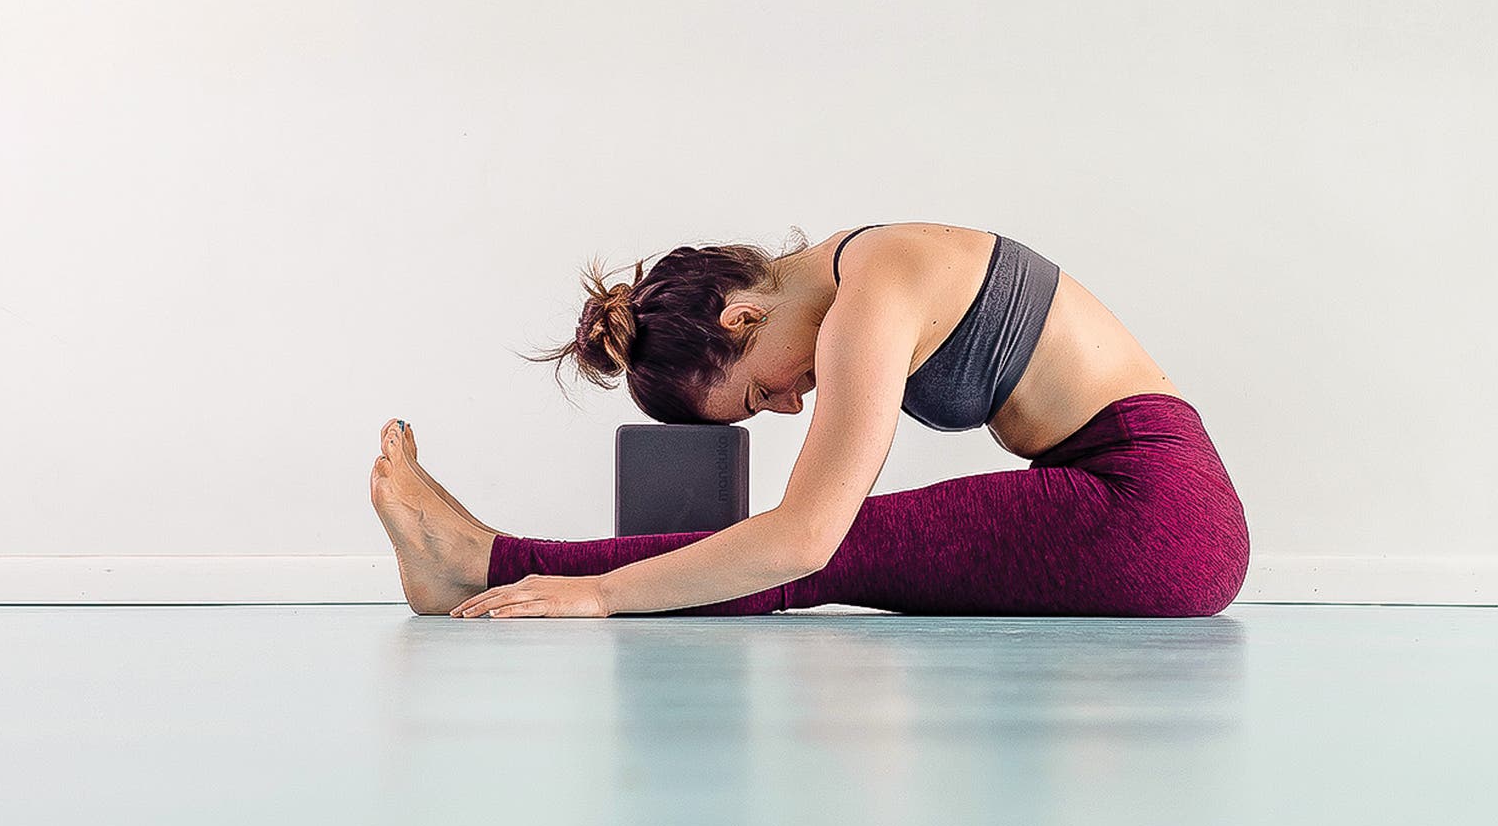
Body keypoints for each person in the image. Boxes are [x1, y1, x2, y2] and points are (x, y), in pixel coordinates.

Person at [369, 221, 1250, 618]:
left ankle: (478, 562)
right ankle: (474, 562)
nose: (790, 404)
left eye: (760, 393)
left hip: (1152, 513)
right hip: (1146, 505)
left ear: (741, 320)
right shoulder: (864, 269)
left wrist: (599, 594)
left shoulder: (877, 293)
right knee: (831, 548)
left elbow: (803, 541)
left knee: (814, 554)